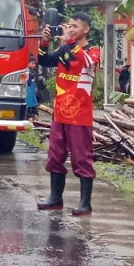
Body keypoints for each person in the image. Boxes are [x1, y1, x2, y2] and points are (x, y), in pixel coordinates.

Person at [36, 12, 101, 216]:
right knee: (55, 156)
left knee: (82, 158)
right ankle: (55, 199)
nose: (70, 29)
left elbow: (87, 63)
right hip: (60, 113)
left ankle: (85, 204)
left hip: (79, 116)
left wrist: (71, 42)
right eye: (69, 25)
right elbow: (45, 61)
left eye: (75, 26)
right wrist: (45, 42)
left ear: (86, 30)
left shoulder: (93, 50)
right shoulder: (65, 48)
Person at [26, 55, 39, 120]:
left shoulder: (32, 72)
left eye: (35, 63)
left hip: (32, 92)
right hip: (27, 93)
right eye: (32, 63)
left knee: (33, 106)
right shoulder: (25, 72)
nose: (34, 65)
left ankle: (34, 117)